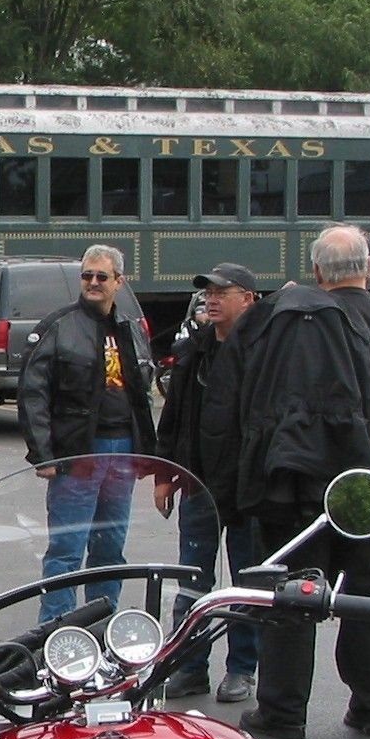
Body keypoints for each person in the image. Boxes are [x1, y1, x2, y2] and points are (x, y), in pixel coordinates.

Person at [222, 225, 370, 739]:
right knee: (368, 594)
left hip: (297, 486)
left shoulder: (295, 327)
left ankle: (283, 710)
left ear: (317, 272)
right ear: (369, 266)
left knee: (294, 595)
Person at [16, 245, 156, 623]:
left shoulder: (129, 328)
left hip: (123, 450)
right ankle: (54, 631)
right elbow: (33, 392)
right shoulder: (58, 326)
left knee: (111, 546)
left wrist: (147, 453)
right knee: (67, 548)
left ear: (119, 282)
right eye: (87, 276)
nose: (93, 283)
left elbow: (143, 393)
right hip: (78, 452)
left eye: (101, 277)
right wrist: (43, 453)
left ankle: (101, 625)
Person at [153, 263, 262, 702]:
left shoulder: (262, 350)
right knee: (191, 583)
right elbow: (173, 417)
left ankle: (242, 670)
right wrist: (165, 476)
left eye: (222, 291)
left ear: (248, 299)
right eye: (208, 292)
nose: (211, 299)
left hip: (248, 488)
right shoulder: (193, 350)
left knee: (247, 585)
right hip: (198, 484)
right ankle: (190, 666)